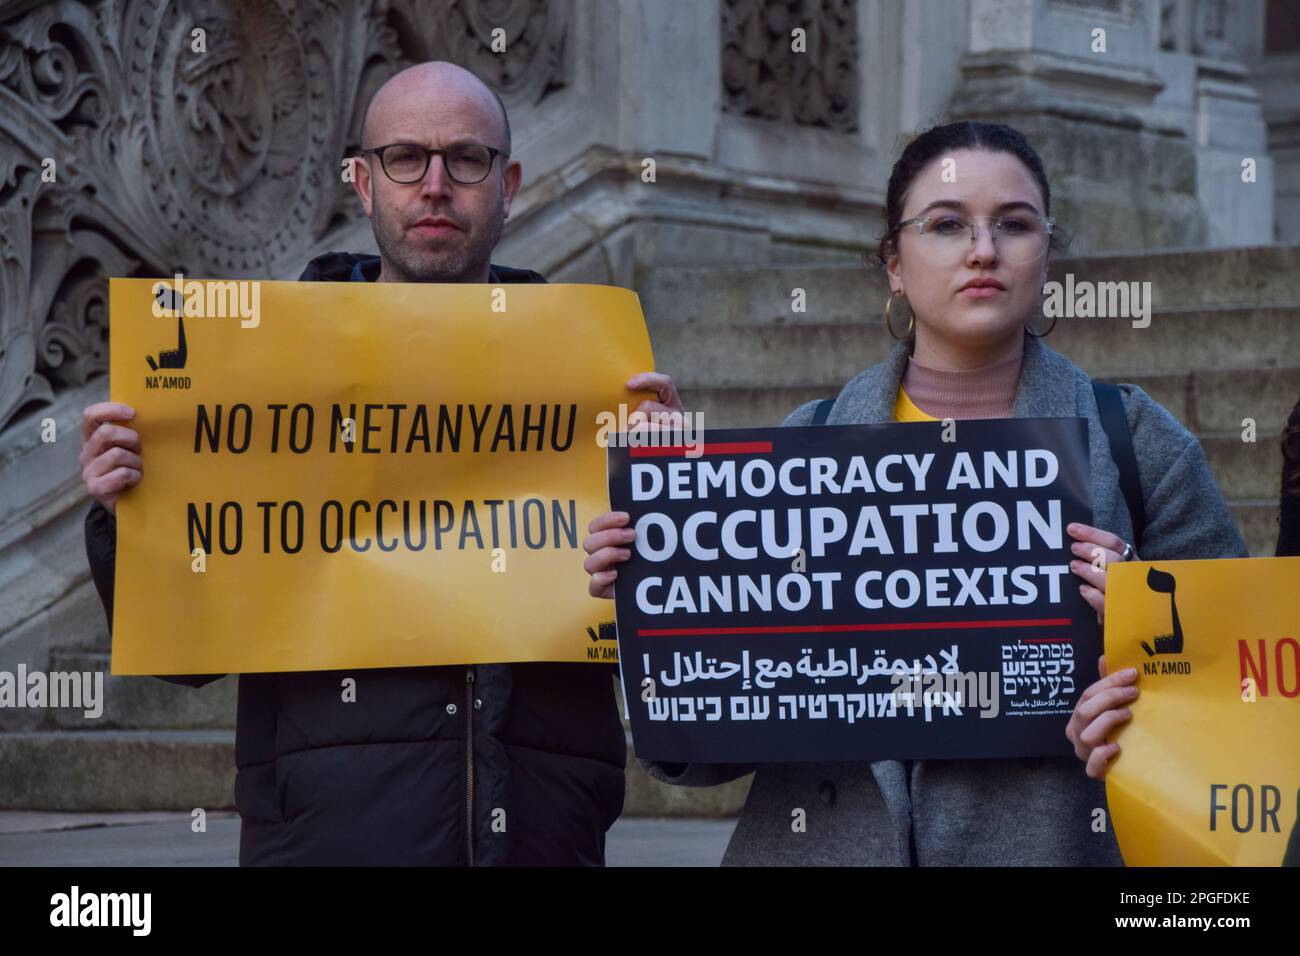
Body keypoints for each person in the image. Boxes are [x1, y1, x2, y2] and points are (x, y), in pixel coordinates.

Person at [583, 121, 1247, 865]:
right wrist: (672, 562)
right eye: (946, 224)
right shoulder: (808, 442)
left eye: (1015, 224)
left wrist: (1143, 634)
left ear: (1048, 256)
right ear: (894, 264)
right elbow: (709, 741)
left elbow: (1240, 698)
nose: (983, 250)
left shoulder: (1139, 443)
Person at [79, 61, 683, 866]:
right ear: (362, 183)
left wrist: (680, 504)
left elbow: (666, 643)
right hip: (328, 840)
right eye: (406, 158)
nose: (435, 185)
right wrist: (128, 512)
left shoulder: (598, 384)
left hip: (542, 833)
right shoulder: (255, 383)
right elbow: (189, 659)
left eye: (465, 160)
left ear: (508, 183)